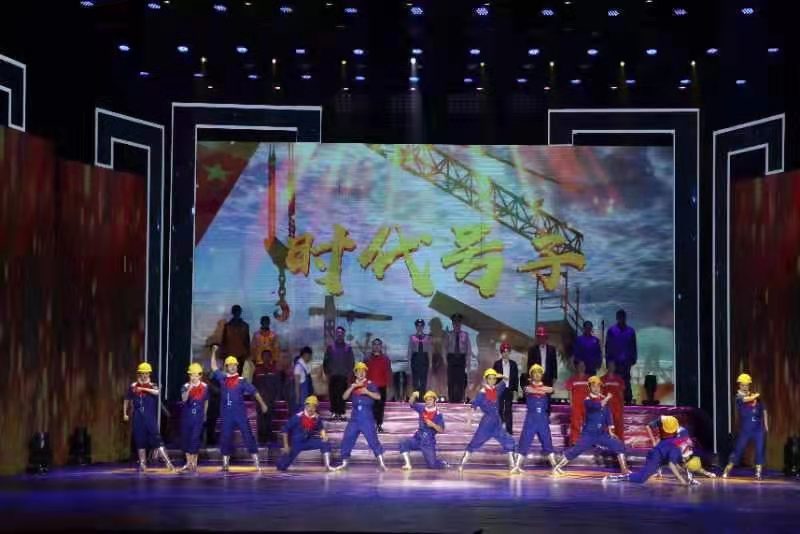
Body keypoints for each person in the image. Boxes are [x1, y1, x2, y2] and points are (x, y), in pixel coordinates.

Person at [554, 376, 629, 475]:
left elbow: (608, 414)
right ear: (589, 387)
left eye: (598, 386)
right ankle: (557, 467)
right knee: (576, 450)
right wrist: (607, 398)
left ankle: (624, 469)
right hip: (589, 434)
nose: (596, 388)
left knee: (618, 445)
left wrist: (611, 430)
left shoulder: (603, 399)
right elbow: (597, 406)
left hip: (601, 433)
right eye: (594, 386)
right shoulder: (588, 400)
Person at [210, 353, 268, 472]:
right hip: (227, 415)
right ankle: (225, 464)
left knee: (248, 435)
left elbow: (254, 392)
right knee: (225, 437)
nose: (233, 367)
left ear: (237, 367)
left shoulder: (242, 381)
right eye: (230, 365)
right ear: (226, 367)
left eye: (234, 365)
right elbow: (213, 366)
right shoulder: (222, 378)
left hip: (240, 414)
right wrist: (214, 352)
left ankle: (256, 463)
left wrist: (262, 404)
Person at [458, 369, 517, 473]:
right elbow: (473, 407)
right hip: (487, 423)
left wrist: (500, 376)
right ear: (486, 379)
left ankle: (513, 466)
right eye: (490, 378)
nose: (492, 380)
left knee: (508, 441)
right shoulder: (482, 393)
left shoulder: (496, 389)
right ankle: (462, 464)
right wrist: (469, 420)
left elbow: (506, 380)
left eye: (494, 378)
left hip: (497, 422)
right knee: (476, 442)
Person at [336, 362, 388, 471]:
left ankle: (382, 463)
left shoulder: (370, 384)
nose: (361, 373)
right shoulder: (353, 385)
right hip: (355, 418)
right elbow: (344, 397)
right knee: (348, 438)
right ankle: (344, 463)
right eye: (359, 371)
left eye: (363, 371)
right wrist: (352, 387)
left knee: (372, 439)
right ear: (355, 373)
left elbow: (378, 397)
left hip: (366, 417)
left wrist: (367, 392)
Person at [123, 362, 175, 472]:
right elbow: (127, 399)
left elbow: (156, 392)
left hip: (149, 417)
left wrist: (143, 389)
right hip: (138, 416)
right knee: (139, 439)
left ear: (149, 374)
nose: (144, 375)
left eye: (146, 373)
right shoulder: (133, 386)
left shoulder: (152, 385)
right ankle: (142, 463)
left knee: (156, 439)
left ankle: (168, 462)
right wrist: (125, 413)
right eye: (142, 373)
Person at [723, 373, 768, 479]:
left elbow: (764, 409)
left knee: (760, 449)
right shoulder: (738, 397)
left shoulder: (756, 397)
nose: (745, 387)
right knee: (738, 450)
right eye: (743, 385)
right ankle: (728, 469)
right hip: (745, 429)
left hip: (758, 428)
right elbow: (745, 400)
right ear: (739, 385)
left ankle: (758, 473)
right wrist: (754, 396)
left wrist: (766, 425)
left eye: (747, 384)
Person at [604, 434, 697, 485]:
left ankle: (690, 479)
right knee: (641, 478)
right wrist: (681, 480)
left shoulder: (680, 443)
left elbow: (675, 462)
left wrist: (683, 471)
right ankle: (618, 477)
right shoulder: (677, 449)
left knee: (644, 476)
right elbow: (671, 465)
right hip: (656, 456)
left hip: (660, 455)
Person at [514, 364, 557, 472]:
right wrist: (541, 390)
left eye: (539, 373)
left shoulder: (546, 388)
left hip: (543, 419)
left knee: (547, 442)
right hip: (531, 419)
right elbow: (530, 390)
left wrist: (541, 389)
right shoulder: (527, 388)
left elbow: (551, 390)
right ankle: (517, 466)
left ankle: (555, 466)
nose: (537, 375)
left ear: (542, 375)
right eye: (535, 373)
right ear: (531, 375)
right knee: (525, 440)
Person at [276, 395, 336, 472]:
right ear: (305, 406)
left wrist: (324, 435)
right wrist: (286, 445)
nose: (311, 408)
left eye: (313, 406)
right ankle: (281, 462)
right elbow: (285, 430)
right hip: (296, 444)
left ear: (315, 407)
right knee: (282, 466)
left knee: (325, 443)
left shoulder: (317, 417)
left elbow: (321, 428)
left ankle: (328, 466)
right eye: (309, 406)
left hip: (308, 442)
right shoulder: (298, 417)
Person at [399, 390, 447, 470]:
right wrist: (413, 395)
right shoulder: (422, 408)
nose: (428, 401)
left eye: (430, 399)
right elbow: (411, 403)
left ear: (434, 401)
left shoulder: (438, 414)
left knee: (432, 465)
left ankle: (443, 463)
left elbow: (441, 430)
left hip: (428, 442)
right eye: (427, 400)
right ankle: (407, 464)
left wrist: (433, 425)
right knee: (403, 442)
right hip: (418, 439)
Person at [179, 362, 208, 473]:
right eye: (192, 375)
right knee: (186, 439)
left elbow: (206, 401)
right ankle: (189, 463)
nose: (194, 377)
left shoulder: (205, 386)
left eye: (196, 375)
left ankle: (193, 463)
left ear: (200, 375)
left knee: (195, 439)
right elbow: (184, 399)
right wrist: (189, 389)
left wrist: (204, 414)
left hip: (198, 417)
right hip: (187, 416)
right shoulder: (185, 386)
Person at [605, 309, 637, 404]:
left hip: (626, 361)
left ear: (625, 318)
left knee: (626, 381)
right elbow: (608, 346)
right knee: (614, 381)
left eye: (622, 317)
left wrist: (633, 359)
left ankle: (628, 400)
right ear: (617, 318)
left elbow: (633, 346)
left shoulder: (631, 331)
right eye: (619, 317)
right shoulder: (611, 330)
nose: (621, 319)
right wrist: (608, 361)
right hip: (614, 362)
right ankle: (614, 400)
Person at [323, 326, 355, 421]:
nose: (340, 334)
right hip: (333, 375)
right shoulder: (330, 347)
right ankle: (334, 413)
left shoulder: (348, 348)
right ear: (336, 334)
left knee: (342, 395)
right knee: (333, 395)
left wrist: (349, 374)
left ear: (344, 334)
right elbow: (326, 361)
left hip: (343, 376)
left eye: (341, 332)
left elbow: (351, 362)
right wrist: (327, 372)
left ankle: (341, 413)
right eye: (338, 332)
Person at [252, 349, 281, 443]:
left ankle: (270, 435)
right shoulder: (257, 369)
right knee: (261, 419)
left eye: (268, 356)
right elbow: (253, 385)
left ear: (271, 357)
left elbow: (278, 384)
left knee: (270, 417)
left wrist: (277, 396)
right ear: (262, 357)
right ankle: (262, 437)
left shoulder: (274, 369)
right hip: (260, 399)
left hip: (271, 398)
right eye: (264, 356)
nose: (266, 358)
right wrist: (254, 397)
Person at [365, 338, 392, 433]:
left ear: (381, 346)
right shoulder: (367, 358)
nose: (376, 346)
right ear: (372, 346)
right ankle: (370, 425)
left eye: (378, 344)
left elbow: (388, 373)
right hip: (370, 387)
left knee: (380, 407)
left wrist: (389, 386)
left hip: (381, 386)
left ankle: (379, 425)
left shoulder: (386, 359)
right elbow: (364, 373)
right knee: (370, 407)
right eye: (375, 344)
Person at [492, 342, 519, 434]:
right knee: (499, 409)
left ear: (509, 352)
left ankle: (509, 430)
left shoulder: (513, 364)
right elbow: (493, 377)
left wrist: (515, 391)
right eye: (504, 351)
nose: (506, 353)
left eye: (507, 351)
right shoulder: (497, 364)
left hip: (509, 389)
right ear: (501, 352)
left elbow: (516, 378)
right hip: (500, 389)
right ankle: (498, 429)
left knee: (508, 410)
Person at [446, 313, 471, 403]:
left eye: (458, 322)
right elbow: (445, 347)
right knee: (451, 380)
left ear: (460, 324)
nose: (456, 324)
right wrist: (445, 360)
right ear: (452, 324)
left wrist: (468, 361)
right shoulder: (448, 334)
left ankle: (460, 399)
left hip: (461, 358)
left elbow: (468, 349)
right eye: (455, 323)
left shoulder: (465, 335)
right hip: (451, 358)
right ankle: (451, 399)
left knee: (461, 380)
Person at [222, 305, 251, 379]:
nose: (237, 313)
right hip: (230, 354)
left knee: (239, 374)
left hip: (241, 354)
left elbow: (247, 341)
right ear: (232, 312)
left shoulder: (245, 326)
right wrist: (223, 354)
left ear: (240, 312)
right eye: (235, 311)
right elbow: (224, 341)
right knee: (230, 375)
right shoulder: (227, 326)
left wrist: (248, 353)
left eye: (238, 311)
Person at [565, 360, 590, 446]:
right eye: (579, 366)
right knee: (575, 423)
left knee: (588, 423)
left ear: (585, 367)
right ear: (576, 367)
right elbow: (569, 392)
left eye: (583, 366)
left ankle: (588, 440)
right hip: (576, 405)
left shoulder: (589, 379)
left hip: (587, 405)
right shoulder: (572, 379)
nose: (581, 367)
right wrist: (571, 403)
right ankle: (574, 441)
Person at [602, 360, 626, 442]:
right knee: (607, 426)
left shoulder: (619, 380)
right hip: (607, 407)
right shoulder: (602, 379)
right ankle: (607, 443)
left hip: (617, 407)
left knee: (618, 425)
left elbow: (621, 394)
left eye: (613, 365)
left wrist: (622, 407)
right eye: (610, 365)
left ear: (615, 367)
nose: (611, 367)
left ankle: (619, 443)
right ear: (607, 367)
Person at [408, 319, 432, 395]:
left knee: (423, 380)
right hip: (415, 359)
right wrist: (409, 362)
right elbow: (410, 350)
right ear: (416, 327)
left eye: (421, 326)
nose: (419, 327)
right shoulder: (412, 337)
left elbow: (429, 350)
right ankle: (415, 396)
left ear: (423, 327)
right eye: (418, 326)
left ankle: (422, 397)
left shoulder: (427, 337)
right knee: (415, 380)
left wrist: (430, 363)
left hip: (424, 359)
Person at [293, 347, 314, 412]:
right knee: (301, 412)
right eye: (309, 356)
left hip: (306, 395)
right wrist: (297, 398)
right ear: (305, 355)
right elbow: (296, 384)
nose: (310, 357)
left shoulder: (305, 366)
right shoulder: (298, 367)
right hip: (302, 396)